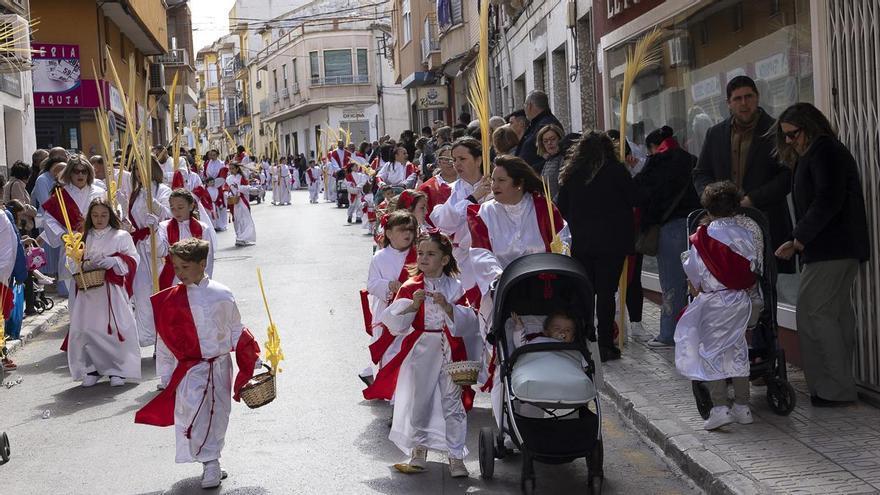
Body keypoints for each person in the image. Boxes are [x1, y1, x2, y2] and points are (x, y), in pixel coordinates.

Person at [134, 238, 260, 489]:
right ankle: (210, 461)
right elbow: (166, 340)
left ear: (202, 264)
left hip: (220, 365)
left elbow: (236, 328)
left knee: (218, 414)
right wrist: (166, 373)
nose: (178, 273)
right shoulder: (171, 300)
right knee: (194, 414)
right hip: (191, 369)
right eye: (176, 267)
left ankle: (211, 460)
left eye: (184, 267)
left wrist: (253, 358)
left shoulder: (222, 294)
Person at [773, 103, 870, 407]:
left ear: (809, 126)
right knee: (835, 314)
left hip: (830, 249)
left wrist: (798, 238)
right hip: (837, 248)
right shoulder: (821, 151)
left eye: (793, 134)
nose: (790, 141)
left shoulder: (824, 150)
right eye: (785, 136)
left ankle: (834, 388)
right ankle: (838, 385)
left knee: (814, 312)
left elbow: (827, 199)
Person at [466, 155, 570, 426]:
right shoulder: (484, 212)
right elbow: (480, 253)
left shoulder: (543, 208)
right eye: (494, 179)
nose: (494, 185)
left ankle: (553, 414)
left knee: (546, 352)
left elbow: (563, 241)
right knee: (507, 358)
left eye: (501, 180)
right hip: (504, 294)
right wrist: (502, 279)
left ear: (519, 184)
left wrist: (562, 258)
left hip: (546, 294)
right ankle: (509, 425)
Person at [366, 231, 480, 478]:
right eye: (420, 253)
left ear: (445, 260)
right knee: (420, 400)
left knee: (453, 402)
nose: (424, 258)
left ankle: (456, 455)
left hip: (450, 350)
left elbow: (470, 321)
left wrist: (448, 307)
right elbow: (394, 324)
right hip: (421, 350)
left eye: (431, 254)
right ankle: (418, 450)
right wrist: (414, 305)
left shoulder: (455, 286)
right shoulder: (410, 287)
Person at [675, 181, 758, 430]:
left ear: (708, 209)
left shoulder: (703, 236)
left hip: (714, 301)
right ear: (735, 207)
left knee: (710, 351)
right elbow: (753, 267)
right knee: (738, 348)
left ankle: (720, 407)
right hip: (740, 300)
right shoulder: (746, 234)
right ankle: (743, 407)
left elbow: (696, 275)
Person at [693, 75, 793, 273]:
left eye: (748, 96)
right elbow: (700, 173)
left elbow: (787, 177)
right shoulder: (715, 133)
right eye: (737, 99)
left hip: (766, 221)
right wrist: (712, 197)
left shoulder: (775, 130)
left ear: (757, 98)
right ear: (729, 103)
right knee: (730, 282)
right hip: (724, 225)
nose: (744, 103)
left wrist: (752, 199)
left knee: (767, 288)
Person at [556, 132, 636, 362]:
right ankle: (605, 344)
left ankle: (584, 338)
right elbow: (635, 198)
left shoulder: (572, 174)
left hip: (582, 242)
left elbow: (561, 208)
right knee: (606, 294)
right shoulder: (617, 171)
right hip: (612, 242)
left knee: (585, 293)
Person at [632, 126, 701, 347]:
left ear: (653, 147)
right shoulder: (691, 160)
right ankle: (695, 330)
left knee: (672, 283)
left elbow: (640, 194)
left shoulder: (657, 164)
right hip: (697, 227)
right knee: (698, 282)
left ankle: (669, 332)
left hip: (670, 229)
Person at [67, 198, 140, 387]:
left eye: (104, 215)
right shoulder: (83, 236)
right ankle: (93, 368)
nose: (99, 219)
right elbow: (71, 261)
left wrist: (115, 261)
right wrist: (81, 263)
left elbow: (133, 258)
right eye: (95, 215)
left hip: (111, 291)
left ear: (111, 215)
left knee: (115, 328)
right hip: (88, 292)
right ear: (90, 216)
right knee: (89, 329)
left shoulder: (121, 235)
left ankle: (118, 370)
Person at [154, 189, 217, 389]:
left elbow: (208, 259)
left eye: (181, 207)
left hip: (195, 284)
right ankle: (167, 376)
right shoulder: (164, 226)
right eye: (172, 208)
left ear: (191, 206)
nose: (176, 211)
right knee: (169, 330)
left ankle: (193, 370)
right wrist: (154, 231)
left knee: (193, 327)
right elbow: (161, 251)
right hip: (172, 282)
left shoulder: (202, 228)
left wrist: (205, 284)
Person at [429, 138, 492, 306]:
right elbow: (445, 223)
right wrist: (473, 198)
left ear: (478, 160)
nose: (456, 164)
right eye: (454, 159)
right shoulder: (449, 189)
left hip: (492, 258)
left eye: (462, 159)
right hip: (461, 261)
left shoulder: (496, 186)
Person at [359, 211, 418, 387]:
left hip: (411, 312)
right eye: (402, 230)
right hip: (386, 312)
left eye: (410, 230)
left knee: (407, 350)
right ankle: (387, 386)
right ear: (389, 233)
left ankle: (402, 388)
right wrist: (389, 285)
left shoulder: (419, 254)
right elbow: (372, 284)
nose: (407, 234)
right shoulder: (380, 257)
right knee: (388, 351)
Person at [40, 156, 107, 299]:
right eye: (76, 171)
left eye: (84, 171)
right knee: (74, 291)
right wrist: (62, 236)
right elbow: (49, 219)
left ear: (89, 173)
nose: (80, 175)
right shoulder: (61, 194)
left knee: (98, 290)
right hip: (72, 247)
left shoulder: (99, 192)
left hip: (97, 244)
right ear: (69, 173)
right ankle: (77, 320)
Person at [128, 157, 172, 349]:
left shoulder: (162, 190)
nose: (139, 174)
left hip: (157, 246)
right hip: (139, 248)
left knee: (159, 291)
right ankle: (150, 336)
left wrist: (152, 203)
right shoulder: (135, 193)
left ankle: (163, 341)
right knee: (142, 294)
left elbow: (169, 215)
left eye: (143, 169)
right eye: (137, 170)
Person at [516, 91, 562, 173]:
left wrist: (530, 171)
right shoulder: (536, 124)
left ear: (529, 106)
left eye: (525, 105)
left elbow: (552, 155)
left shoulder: (546, 125)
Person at [418, 144, 457, 221]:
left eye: (453, 159)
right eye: (446, 159)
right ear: (439, 162)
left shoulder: (467, 183)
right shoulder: (427, 187)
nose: (450, 163)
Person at [226, 162, 256, 246]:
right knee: (237, 220)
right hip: (234, 202)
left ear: (237, 169)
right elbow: (225, 188)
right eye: (230, 168)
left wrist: (238, 188)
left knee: (245, 219)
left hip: (242, 201)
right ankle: (239, 237)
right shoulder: (228, 179)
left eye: (232, 168)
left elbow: (247, 188)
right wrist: (228, 194)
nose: (231, 170)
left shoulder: (242, 177)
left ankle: (245, 238)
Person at [537, 124, 566, 201]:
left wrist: (553, 205)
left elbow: (563, 187)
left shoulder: (563, 158)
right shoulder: (548, 160)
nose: (549, 143)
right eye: (545, 141)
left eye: (552, 139)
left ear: (560, 139)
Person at [203, 150, 229, 230]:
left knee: (219, 205)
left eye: (214, 155)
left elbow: (222, 177)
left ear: (217, 155)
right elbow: (205, 174)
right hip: (208, 186)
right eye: (211, 154)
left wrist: (214, 183)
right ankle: (213, 224)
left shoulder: (221, 164)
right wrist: (207, 182)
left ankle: (221, 224)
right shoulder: (207, 163)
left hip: (218, 187)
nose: (212, 156)